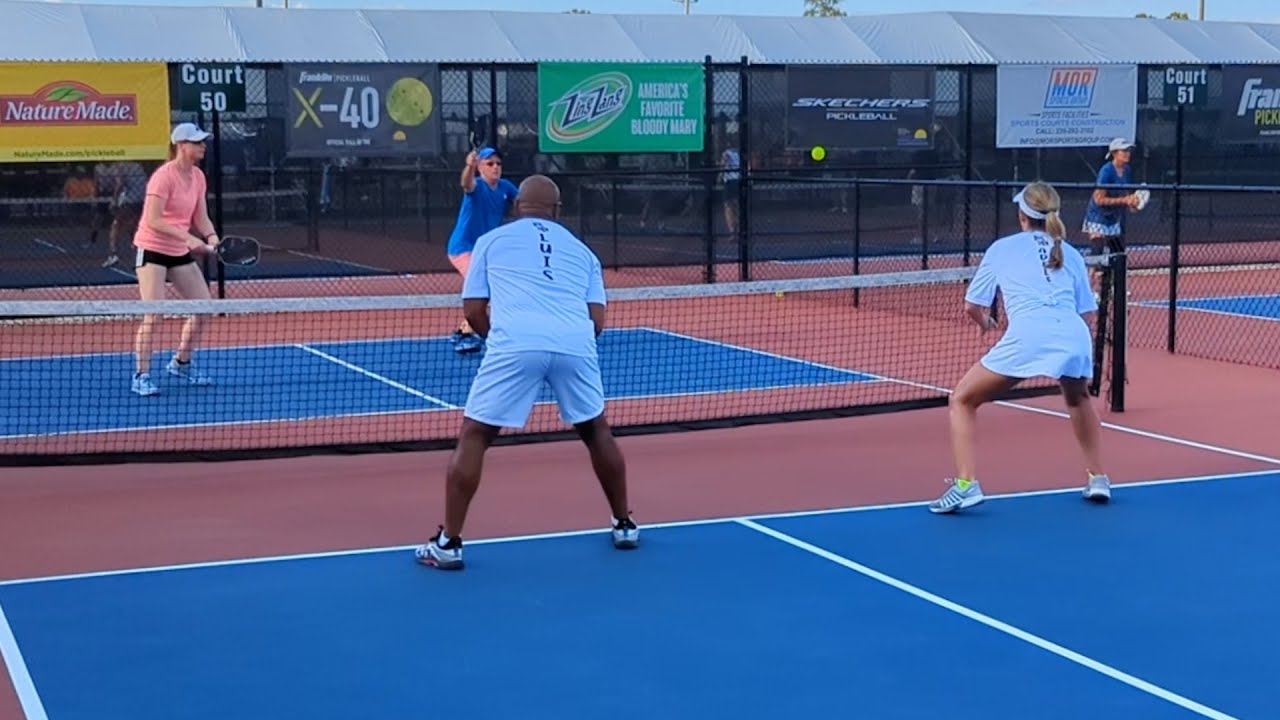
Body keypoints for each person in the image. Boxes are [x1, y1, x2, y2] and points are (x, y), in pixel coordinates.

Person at [415, 174, 638, 570]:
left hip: (514, 341)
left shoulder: (490, 242)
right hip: (575, 340)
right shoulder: (584, 253)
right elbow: (597, 321)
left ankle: (448, 544)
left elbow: (472, 310)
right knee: (596, 431)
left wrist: (496, 339)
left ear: (518, 207)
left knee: (476, 435)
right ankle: (625, 524)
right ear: (558, 211)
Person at [929, 181, 1111, 514]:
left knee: (962, 399)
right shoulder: (1070, 253)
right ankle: (1098, 478)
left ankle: (966, 484)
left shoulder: (1001, 248)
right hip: (1073, 334)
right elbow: (1086, 312)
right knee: (1077, 397)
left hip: (1028, 335)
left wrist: (986, 325)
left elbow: (972, 305)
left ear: (1022, 214)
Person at [129, 123, 221, 397]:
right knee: (154, 314)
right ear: (181, 145)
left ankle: (181, 362)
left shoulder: (198, 177)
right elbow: (154, 220)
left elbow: (200, 217)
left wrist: (211, 235)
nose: (203, 145)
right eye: (197, 142)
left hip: (178, 251)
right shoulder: (163, 177)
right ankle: (141, 375)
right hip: (152, 249)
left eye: (203, 141)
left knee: (203, 308)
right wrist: (189, 239)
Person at [445, 146, 518, 354]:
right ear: (479, 167)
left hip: (485, 250)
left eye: (498, 164)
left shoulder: (505, 187)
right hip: (462, 249)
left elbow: (523, 202)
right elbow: (465, 184)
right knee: (485, 288)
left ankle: (463, 330)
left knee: (495, 287)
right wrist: (468, 165)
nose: (496, 167)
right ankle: (469, 333)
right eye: (490, 164)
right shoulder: (476, 187)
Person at [1083, 138, 1142, 293]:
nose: (1127, 154)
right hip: (1098, 216)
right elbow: (1099, 199)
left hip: (1114, 218)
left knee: (1118, 252)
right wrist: (1125, 200)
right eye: (1124, 151)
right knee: (1097, 252)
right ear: (1115, 153)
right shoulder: (1106, 171)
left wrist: (1132, 204)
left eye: (1128, 150)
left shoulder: (1127, 170)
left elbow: (1127, 194)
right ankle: (1090, 289)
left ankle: (1117, 286)